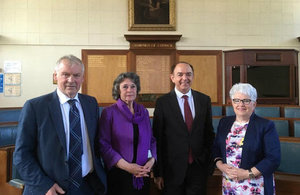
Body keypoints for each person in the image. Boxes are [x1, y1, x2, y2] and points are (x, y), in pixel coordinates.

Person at [13, 55, 106, 195]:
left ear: (82, 78)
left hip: (86, 186)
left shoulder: (91, 103)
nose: (71, 80)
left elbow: (96, 144)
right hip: (50, 189)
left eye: (76, 75)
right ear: (55, 76)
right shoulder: (35, 107)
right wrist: (44, 185)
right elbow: (22, 155)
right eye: (65, 74)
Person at [153, 62, 215, 195]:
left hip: (198, 167)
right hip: (172, 170)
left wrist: (208, 163)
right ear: (172, 77)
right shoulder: (162, 102)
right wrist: (158, 173)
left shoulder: (204, 100)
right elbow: (157, 139)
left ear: (193, 76)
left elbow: (209, 134)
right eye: (180, 74)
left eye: (188, 74)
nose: (184, 78)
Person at [212, 83, 281, 195]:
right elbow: (216, 148)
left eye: (246, 101)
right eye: (237, 100)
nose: (241, 104)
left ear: (254, 104)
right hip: (230, 185)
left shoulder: (266, 125)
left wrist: (246, 174)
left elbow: (273, 159)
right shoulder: (224, 122)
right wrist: (221, 166)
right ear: (232, 102)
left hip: (256, 185)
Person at [98, 72, 156, 195]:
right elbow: (104, 145)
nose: (129, 90)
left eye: (133, 86)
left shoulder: (143, 112)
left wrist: (151, 161)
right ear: (118, 90)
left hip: (143, 173)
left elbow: (151, 140)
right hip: (120, 174)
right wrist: (128, 167)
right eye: (125, 87)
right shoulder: (109, 112)